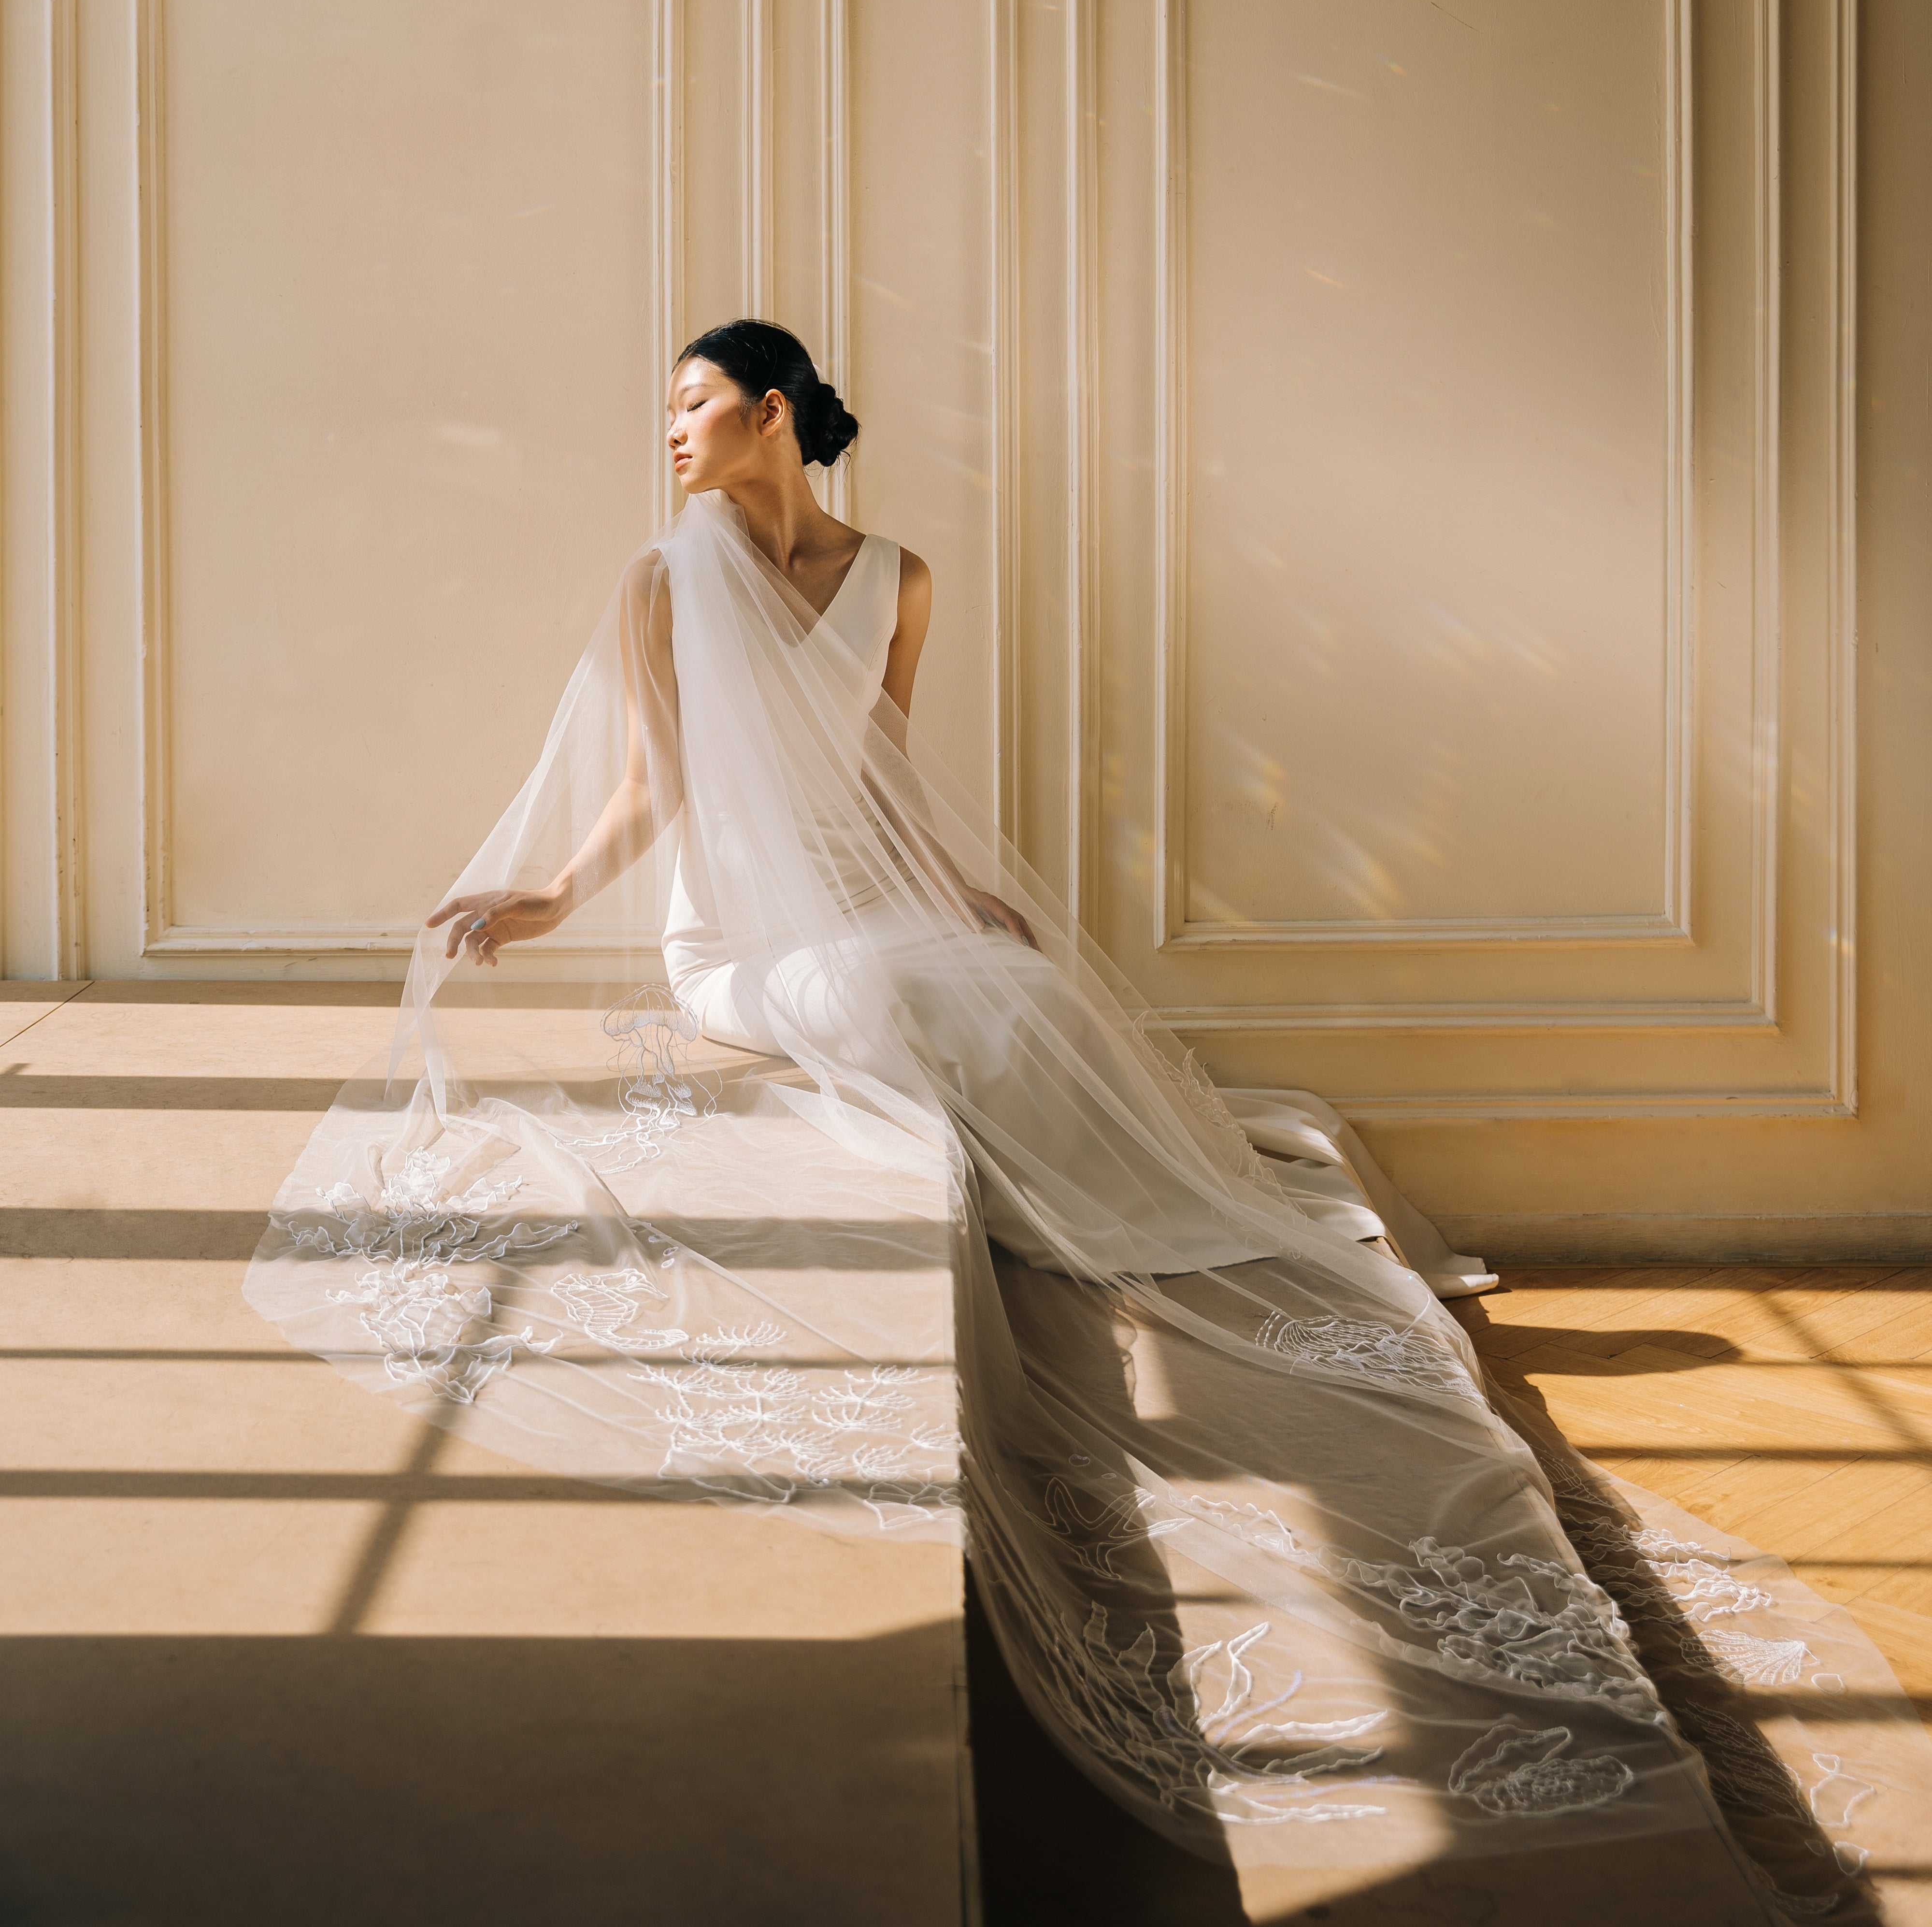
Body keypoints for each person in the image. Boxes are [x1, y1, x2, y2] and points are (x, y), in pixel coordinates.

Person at [248, 321, 1918, 1891]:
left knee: (1008, 980)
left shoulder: (897, 575)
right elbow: (656, 790)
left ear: (772, 412)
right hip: (740, 936)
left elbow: (882, 772)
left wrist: (961, 890)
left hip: (874, 900)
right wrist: (542, 897)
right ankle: (1061, 1200)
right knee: (901, 999)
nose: (667, 436)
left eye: (688, 406)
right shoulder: (658, 580)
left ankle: (1131, 1214)